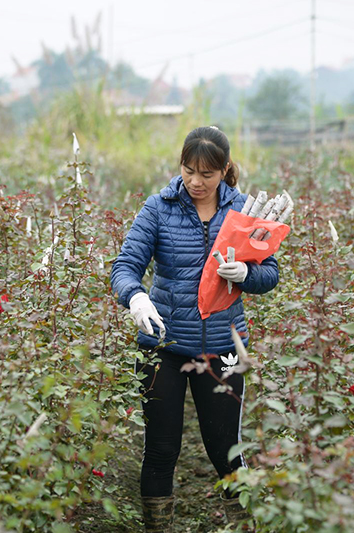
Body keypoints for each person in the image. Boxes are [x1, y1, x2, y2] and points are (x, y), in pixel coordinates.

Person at [110, 126, 279, 532]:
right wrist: (135, 296)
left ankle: (242, 524)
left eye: (206, 174)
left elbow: (270, 273)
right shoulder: (158, 208)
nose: (195, 182)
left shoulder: (244, 213)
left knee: (226, 449)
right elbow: (125, 266)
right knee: (161, 448)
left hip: (223, 346)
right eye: (188, 171)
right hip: (163, 344)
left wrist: (245, 274)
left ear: (224, 170)